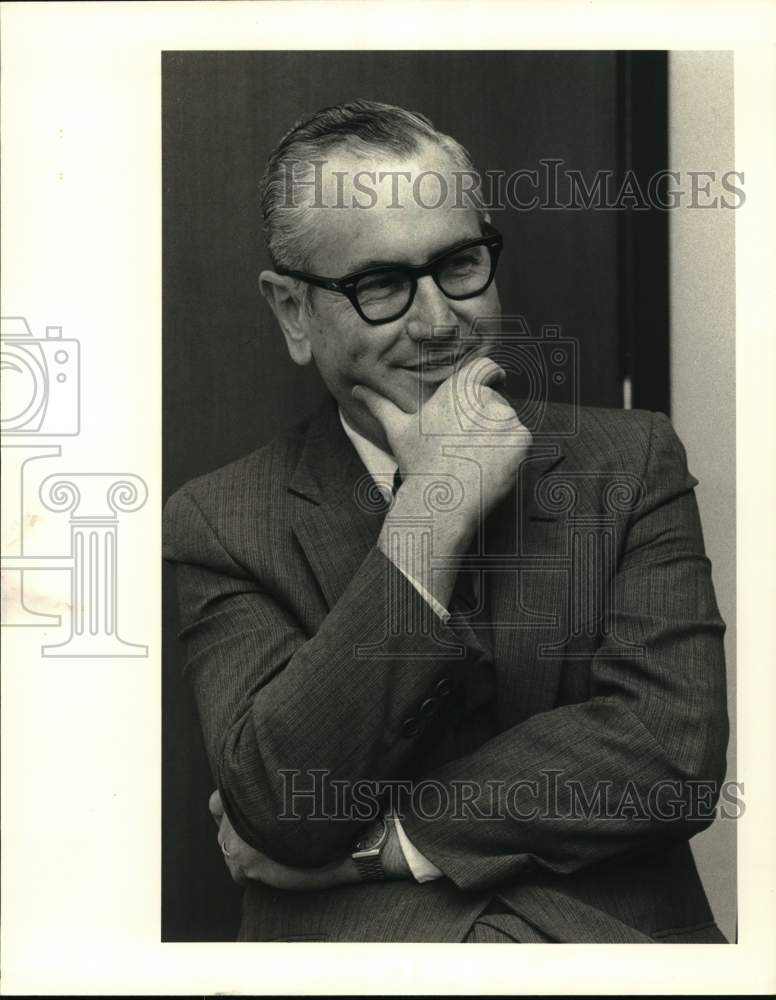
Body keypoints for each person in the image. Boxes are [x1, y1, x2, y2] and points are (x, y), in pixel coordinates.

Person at [163, 99, 729, 943]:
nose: (439, 321)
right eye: (381, 285)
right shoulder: (218, 522)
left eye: (460, 263)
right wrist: (432, 515)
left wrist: (385, 842)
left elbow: (667, 755)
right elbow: (283, 802)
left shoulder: (633, 459)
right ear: (292, 311)